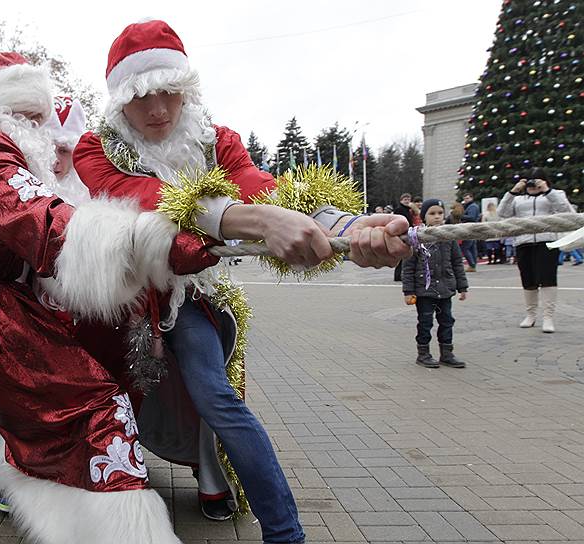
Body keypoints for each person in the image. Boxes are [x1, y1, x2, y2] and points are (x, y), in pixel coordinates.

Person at [73, 20, 411, 543]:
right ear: (121, 100)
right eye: (143, 96)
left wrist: (339, 224)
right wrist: (250, 220)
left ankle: (285, 534)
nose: (159, 108)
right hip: (116, 303)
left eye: (170, 92)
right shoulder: (95, 150)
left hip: (190, 299)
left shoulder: (217, 141)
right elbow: (145, 199)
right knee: (95, 402)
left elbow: (262, 187)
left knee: (216, 398)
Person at [0, 49, 221, 543]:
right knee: (98, 412)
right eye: (34, 117)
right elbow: (49, 226)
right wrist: (166, 242)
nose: (46, 131)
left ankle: (72, 522)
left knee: (59, 419)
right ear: (4, 112)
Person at [497, 168, 574, 333]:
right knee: (528, 281)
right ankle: (530, 315)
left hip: (547, 242)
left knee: (548, 279)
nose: (533, 184)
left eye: (536, 180)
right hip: (523, 242)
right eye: (530, 181)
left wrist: (547, 191)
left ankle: (548, 317)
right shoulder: (518, 199)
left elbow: (567, 212)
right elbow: (502, 213)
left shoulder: (555, 194)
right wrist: (512, 192)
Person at [402, 199, 468, 368]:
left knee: (447, 321)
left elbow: (457, 262)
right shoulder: (417, 238)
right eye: (432, 213)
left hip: (445, 289)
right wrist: (408, 291)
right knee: (425, 322)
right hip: (425, 291)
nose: (437, 217)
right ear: (424, 216)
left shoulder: (449, 237)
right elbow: (408, 266)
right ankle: (423, 353)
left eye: (440, 213)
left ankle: (447, 353)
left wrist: (462, 286)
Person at [392, 193, 414, 281]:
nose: (407, 201)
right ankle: (398, 275)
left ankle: (400, 275)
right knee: (402, 255)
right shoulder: (399, 209)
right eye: (405, 199)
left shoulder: (409, 210)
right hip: (402, 233)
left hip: (407, 232)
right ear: (401, 200)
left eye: (408, 199)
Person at [460, 193, 482, 271]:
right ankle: (472, 265)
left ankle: (472, 264)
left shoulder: (472, 207)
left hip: (470, 229)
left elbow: (472, 217)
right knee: (472, 248)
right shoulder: (472, 206)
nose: (465, 200)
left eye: (467, 198)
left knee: (465, 248)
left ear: (471, 198)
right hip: (472, 229)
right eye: (465, 198)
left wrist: (460, 216)